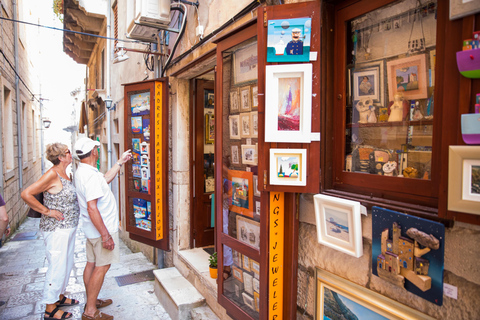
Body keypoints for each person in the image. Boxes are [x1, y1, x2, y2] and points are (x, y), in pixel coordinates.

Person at [74, 137, 132, 320]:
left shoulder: (85, 171)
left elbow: (105, 179)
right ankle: (90, 311)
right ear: (93, 152)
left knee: (91, 264)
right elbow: (92, 207)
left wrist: (119, 163)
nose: (98, 151)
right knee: (102, 266)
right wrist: (106, 236)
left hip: (92, 231)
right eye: (97, 149)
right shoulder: (89, 175)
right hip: (101, 231)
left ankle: (93, 299)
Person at [21, 143, 80, 320]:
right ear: (61, 157)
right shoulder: (52, 174)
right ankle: (50, 307)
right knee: (57, 267)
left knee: (66, 264)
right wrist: (48, 212)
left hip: (67, 228)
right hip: (56, 230)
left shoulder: (65, 174)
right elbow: (26, 194)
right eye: (68, 152)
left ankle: (59, 296)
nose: (71, 154)